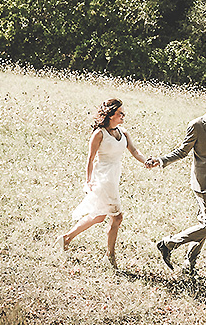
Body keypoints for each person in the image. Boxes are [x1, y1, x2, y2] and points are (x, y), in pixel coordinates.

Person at [146, 91, 206, 275]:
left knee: (203, 223)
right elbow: (182, 151)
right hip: (201, 180)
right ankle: (167, 244)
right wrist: (160, 160)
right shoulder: (197, 125)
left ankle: (189, 264)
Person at [59, 98, 148, 268]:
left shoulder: (123, 132)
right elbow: (90, 159)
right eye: (120, 113)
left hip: (114, 177)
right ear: (110, 115)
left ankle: (66, 238)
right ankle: (110, 256)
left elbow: (134, 150)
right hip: (103, 179)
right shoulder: (99, 134)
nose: (123, 115)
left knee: (99, 216)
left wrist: (146, 161)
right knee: (117, 217)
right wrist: (88, 181)